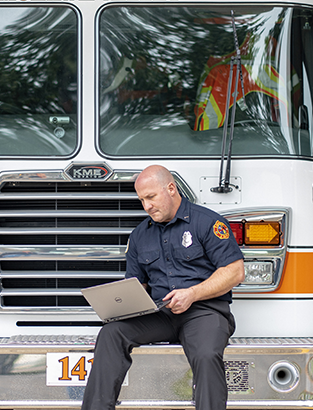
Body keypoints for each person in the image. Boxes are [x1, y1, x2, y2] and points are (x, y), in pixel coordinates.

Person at [81, 165, 245, 410]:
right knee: (111, 333)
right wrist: (120, 303)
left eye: (151, 197)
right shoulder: (139, 236)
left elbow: (235, 271)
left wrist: (192, 294)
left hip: (204, 313)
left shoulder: (208, 222)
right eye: (141, 200)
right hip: (161, 315)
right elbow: (137, 284)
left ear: (171, 189)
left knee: (207, 354)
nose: (147, 206)